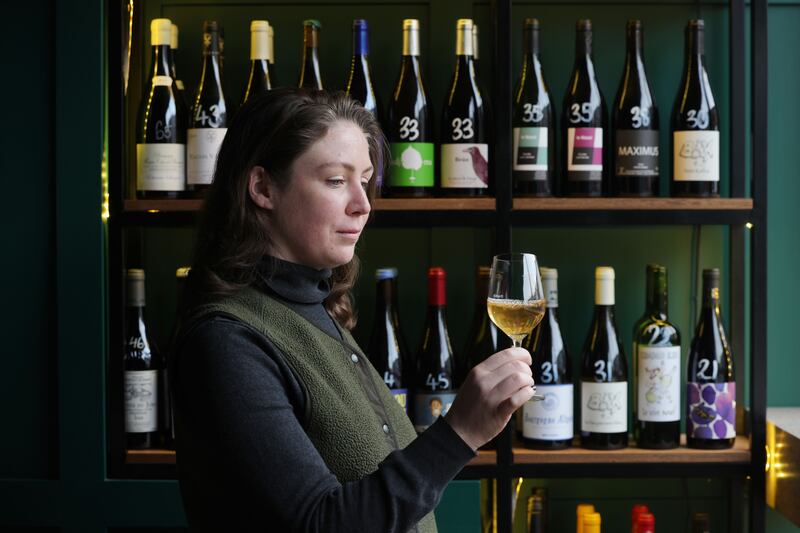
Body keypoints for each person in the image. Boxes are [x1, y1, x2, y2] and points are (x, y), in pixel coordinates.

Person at [170, 88, 535, 532]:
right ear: (263, 187)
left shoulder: (313, 306)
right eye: (336, 180)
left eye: (364, 180)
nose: (362, 205)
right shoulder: (226, 341)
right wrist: (459, 433)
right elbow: (319, 524)